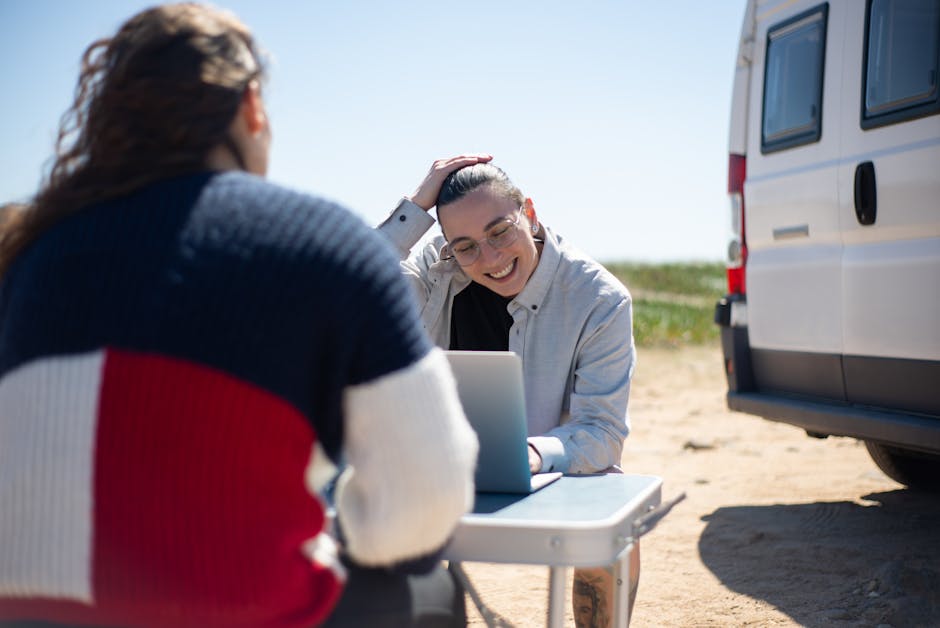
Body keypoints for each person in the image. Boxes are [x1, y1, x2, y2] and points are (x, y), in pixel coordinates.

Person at [0, 5, 478, 627]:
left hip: (25, 612)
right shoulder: (324, 242)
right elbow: (425, 504)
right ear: (252, 106)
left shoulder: (31, 253)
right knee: (431, 596)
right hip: (227, 612)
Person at [378, 155, 639, 627]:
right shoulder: (433, 269)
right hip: (434, 465)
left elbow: (601, 431)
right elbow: (356, 285)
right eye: (467, 247)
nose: (491, 259)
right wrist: (416, 207)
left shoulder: (600, 299)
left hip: (551, 469)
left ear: (530, 214)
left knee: (614, 519)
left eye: (500, 232)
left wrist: (536, 454)